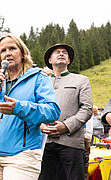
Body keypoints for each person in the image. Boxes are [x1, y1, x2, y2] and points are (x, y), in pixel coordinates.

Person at [0, 34, 61, 180]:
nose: (7, 53)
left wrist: (18, 108)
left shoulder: (38, 77)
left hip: (23, 155)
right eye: (3, 51)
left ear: (22, 53)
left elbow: (52, 111)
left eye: (12, 48)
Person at [39, 43, 93, 180]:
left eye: (65, 53)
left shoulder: (81, 80)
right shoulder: (40, 82)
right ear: (50, 60)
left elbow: (87, 109)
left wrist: (66, 126)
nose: (61, 54)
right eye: (57, 52)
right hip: (43, 144)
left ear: (68, 60)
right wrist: (40, 126)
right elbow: (33, 108)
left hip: (71, 143)